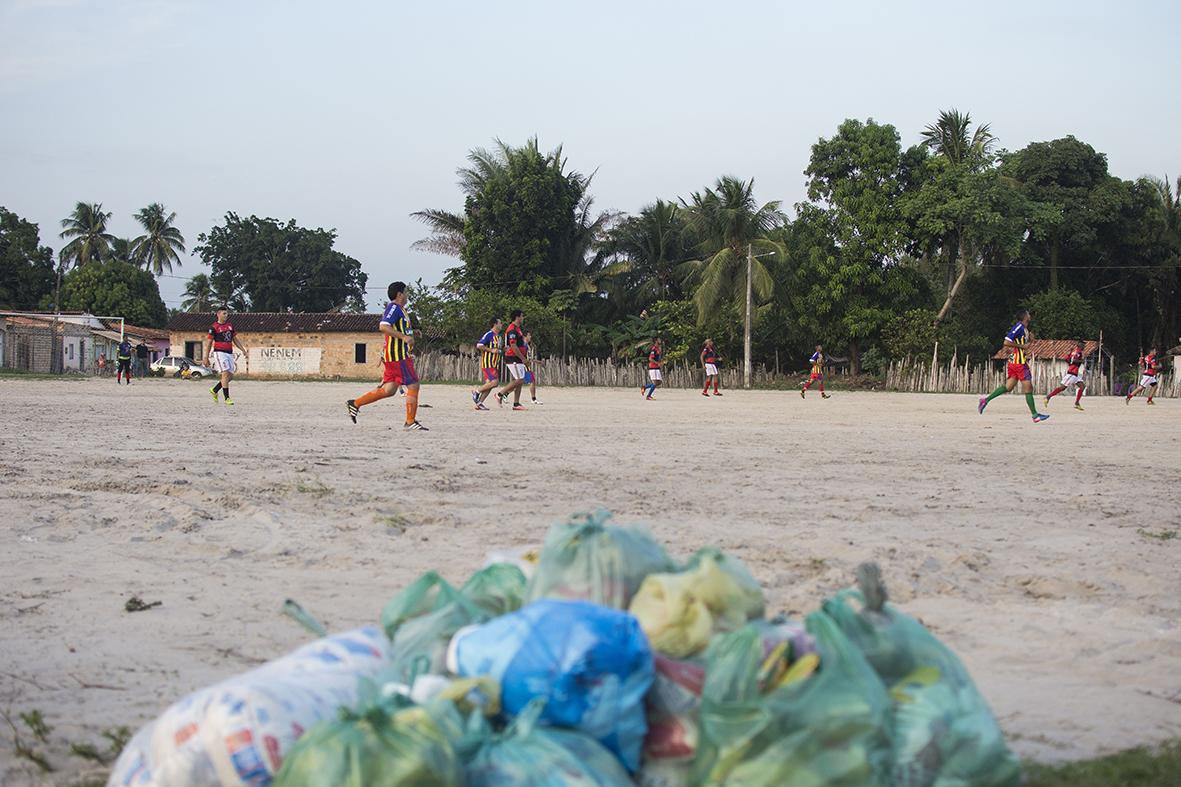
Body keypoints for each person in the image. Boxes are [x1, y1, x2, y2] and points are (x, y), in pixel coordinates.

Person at [346, 282, 427, 429]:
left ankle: (355, 403)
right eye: (406, 292)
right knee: (413, 384)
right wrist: (403, 337)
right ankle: (410, 422)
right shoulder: (394, 308)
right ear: (399, 294)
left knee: (389, 390)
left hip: (395, 356)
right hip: (398, 356)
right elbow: (383, 326)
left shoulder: (402, 310)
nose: (408, 295)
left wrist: (412, 333)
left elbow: (397, 329)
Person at [978, 309, 1050, 423]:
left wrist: (1030, 340)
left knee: (1008, 387)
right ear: (1024, 317)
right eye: (1027, 314)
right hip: (1019, 363)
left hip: (1015, 362)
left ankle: (985, 400)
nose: (1029, 315)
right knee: (1028, 388)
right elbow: (1006, 342)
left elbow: (1025, 344)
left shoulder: (1024, 329)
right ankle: (1035, 415)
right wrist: (1022, 346)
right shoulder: (1018, 327)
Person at [204, 306, 248, 406]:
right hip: (220, 352)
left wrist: (243, 350)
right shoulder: (214, 327)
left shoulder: (230, 326)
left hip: (229, 352)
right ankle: (227, 398)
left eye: (227, 313)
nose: (226, 315)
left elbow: (235, 339)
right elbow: (209, 342)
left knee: (230, 376)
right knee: (225, 373)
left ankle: (214, 390)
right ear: (218, 314)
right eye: (224, 313)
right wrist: (206, 357)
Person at [496, 310, 529, 411]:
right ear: (517, 317)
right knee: (519, 379)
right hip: (512, 357)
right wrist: (523, 358)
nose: (523, 318)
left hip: (518, 357)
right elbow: (513, 346)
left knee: (520, 379)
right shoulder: (512, 329)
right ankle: (499, 394)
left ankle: (516, 403)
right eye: (522, 316)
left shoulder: (518, 329)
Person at [1044, 339, 1087, 411]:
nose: (1084, 346)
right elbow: (1074, 361)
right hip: (1072, 373)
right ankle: (1048, 397)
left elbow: (1067, 359)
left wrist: (1071, 362)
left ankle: (1077, 403)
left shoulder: (1073, 352)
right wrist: (1081, 361)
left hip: (1075, 374)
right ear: (1080, 345)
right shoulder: (1078, 352)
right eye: (1083, 344)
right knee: (1062, 387)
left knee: (1082, 386)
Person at [471, 318, 502, 411]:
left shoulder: (499, 336)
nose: (502, 325)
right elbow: (479, 345)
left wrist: (503, 350)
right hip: (488, 363)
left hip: (494, 363)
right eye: (500, 323)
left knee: (490, 384)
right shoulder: (489, 335)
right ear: (495, 324)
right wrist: (491, 350)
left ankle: (479, 403)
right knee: (495, 383)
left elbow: (497, 349)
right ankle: (476, 391)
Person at [523, 331, 543, 405]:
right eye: (529, 335)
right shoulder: (523, 345)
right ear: (525, 336)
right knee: (532, 380)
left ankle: (504, 394)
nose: (530, 337)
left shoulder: (527, 345)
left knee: (518, 382)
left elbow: (529, 358)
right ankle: (533, 399)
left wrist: (536, 361)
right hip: (524, 365)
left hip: (525, 365)